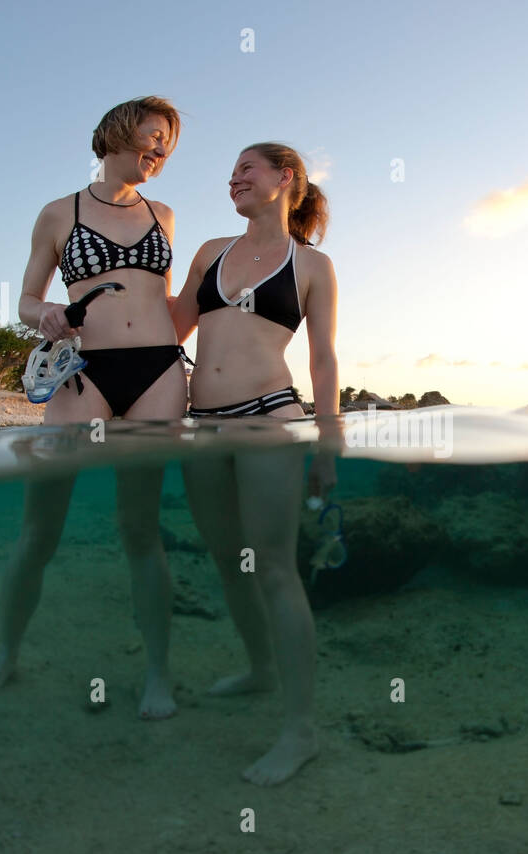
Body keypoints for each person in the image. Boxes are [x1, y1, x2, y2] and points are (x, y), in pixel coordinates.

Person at [0, 96, 187, 719]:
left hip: (158, 372)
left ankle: (157, 676)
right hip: (82, 372)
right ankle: (5, 654)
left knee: (142, 532)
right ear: (116, 134)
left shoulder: (165, 215)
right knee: (40, 531)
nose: (159, 153)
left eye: (167, 146)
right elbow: (26, 299)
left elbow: (164, 302)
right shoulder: (56, 214)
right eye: (152, 138)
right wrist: (48, 316)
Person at [171, 142, 342, 784]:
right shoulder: (210, 252)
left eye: (248, 167)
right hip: (202, 423)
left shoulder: (314, 265)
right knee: (227, 561)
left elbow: (323, 359)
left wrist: (329, 440)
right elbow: (171, 327)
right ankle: (260, 669)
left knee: (273, 568)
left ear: (285, 178)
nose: (234, 177)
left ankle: (301, 731)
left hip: (272, 415)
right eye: (233, 169)